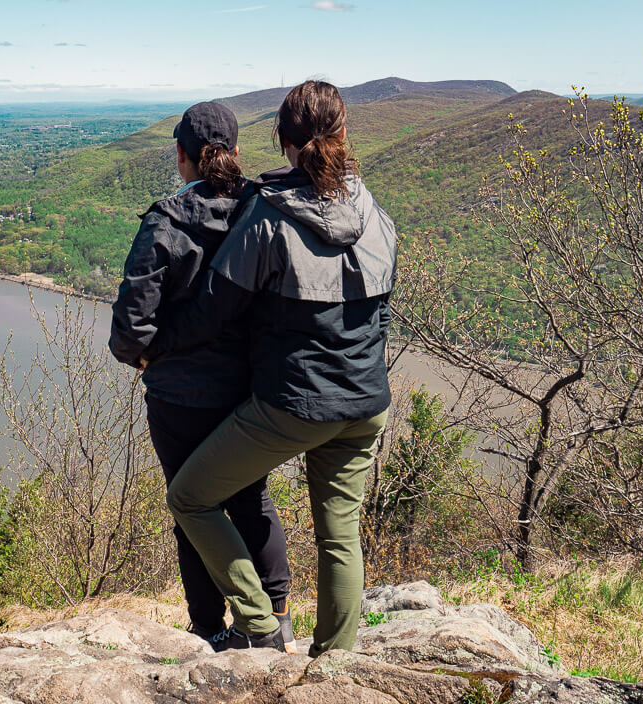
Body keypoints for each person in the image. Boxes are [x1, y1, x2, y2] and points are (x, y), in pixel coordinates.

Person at [144, 81, 396, 654]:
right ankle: (335, 663)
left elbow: (213, 309)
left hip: (293, 406)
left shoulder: (267, 216)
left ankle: (258, 626)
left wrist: (153, 348)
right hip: (366, 403)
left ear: (279, 139)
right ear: (344, 134)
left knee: (191, 497)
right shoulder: (374, 211)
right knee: (340, 535)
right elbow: (379, 316)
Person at [109, 102, 294, 652]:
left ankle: (211, 628)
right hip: (250, 392)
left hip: (180, 399)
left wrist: (147, 358)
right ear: (236, 154)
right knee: (251, 499)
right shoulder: (263, 211)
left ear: (182, 157)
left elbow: (129, 327)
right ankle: (276, 615)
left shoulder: (164, 221)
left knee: (193, 507)